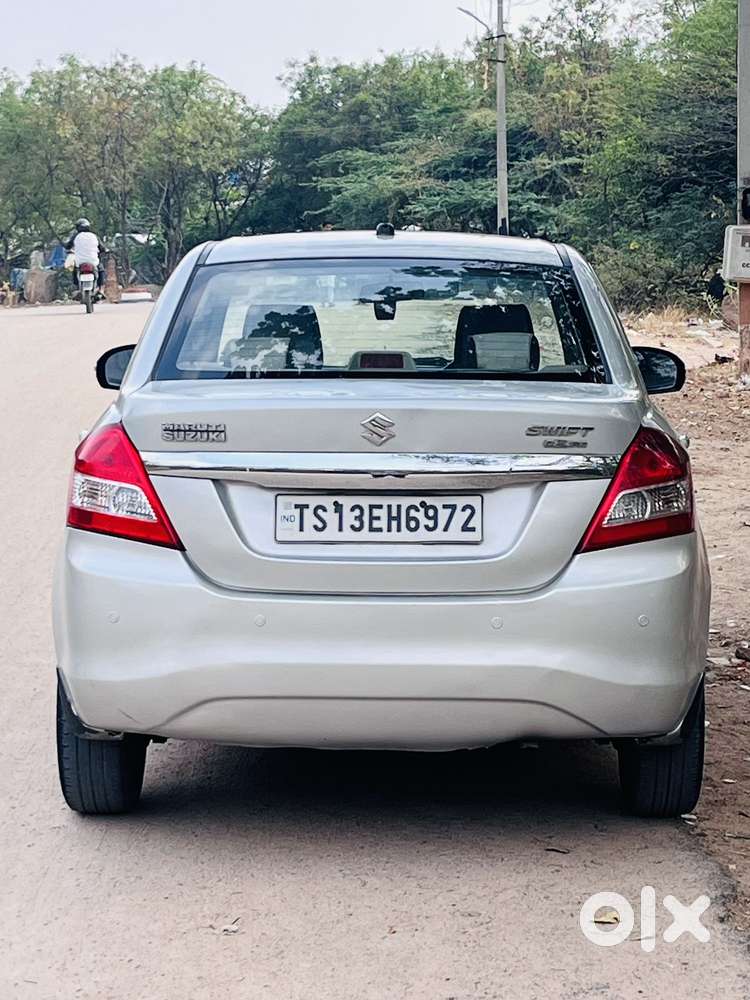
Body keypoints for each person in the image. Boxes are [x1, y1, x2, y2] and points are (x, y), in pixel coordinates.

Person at [65, 219, 105, 294]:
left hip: (79, 262)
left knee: (74, 270)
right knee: (101, 270)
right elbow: (102, 248)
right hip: (93, 261)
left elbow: (68, 246)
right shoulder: (94, 236)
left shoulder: (75, 237)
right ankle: (101, 289)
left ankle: (77, 288)